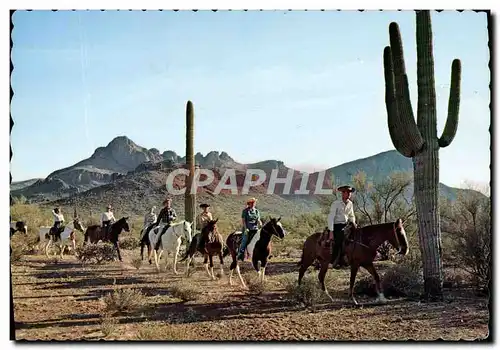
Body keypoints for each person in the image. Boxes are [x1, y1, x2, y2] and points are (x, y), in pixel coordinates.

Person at [327, 185, 357, 269]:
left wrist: (354, 223)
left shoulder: (350, 203)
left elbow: (351, 215)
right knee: (339, 240)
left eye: (350, 192)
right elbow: (331, 217)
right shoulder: (336, 203)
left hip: (346, 225)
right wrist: (331, 231)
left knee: (356, 236)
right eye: (347, 192)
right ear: (343, 193)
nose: (349, 194)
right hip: (336, 225)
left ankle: (352, 258)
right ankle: (332, 262)